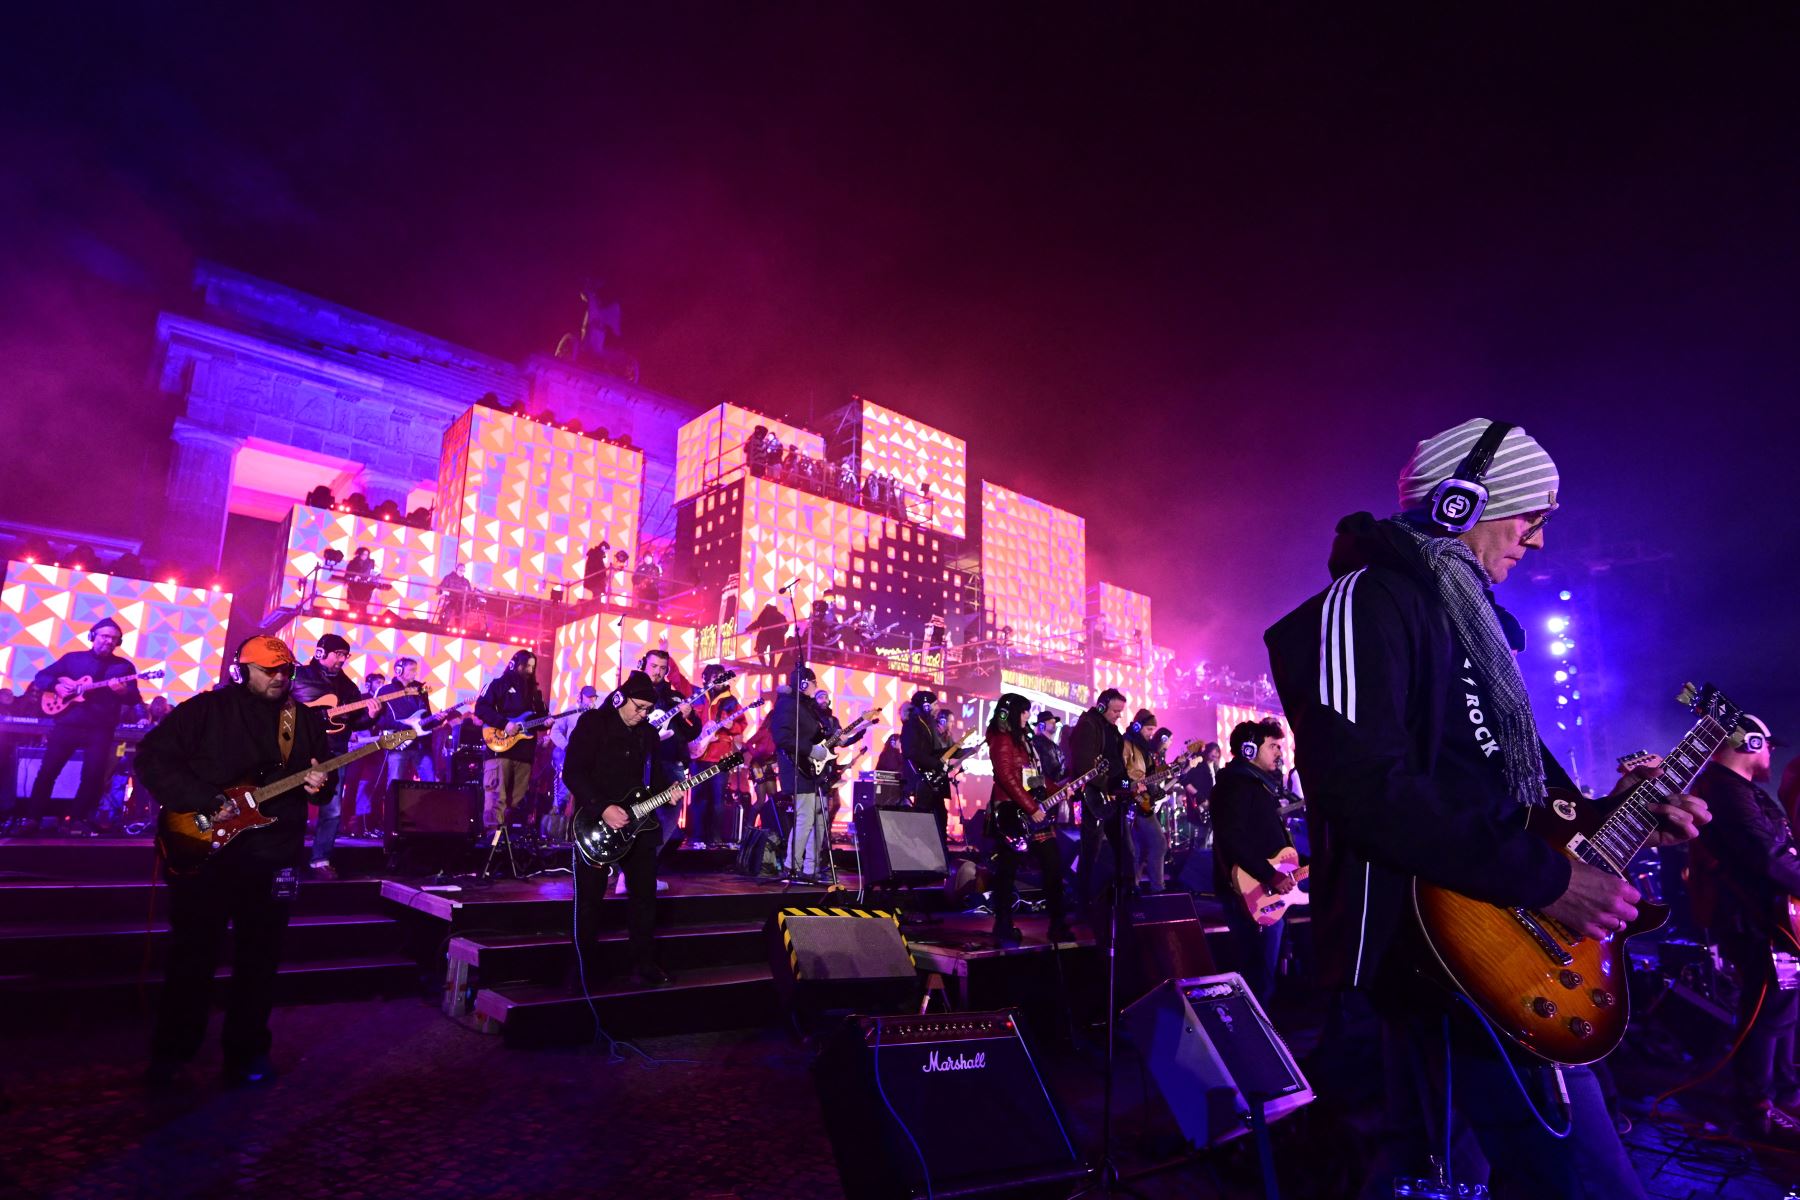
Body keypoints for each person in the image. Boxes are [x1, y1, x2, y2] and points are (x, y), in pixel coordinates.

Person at [1263, 417, 1709, 1198]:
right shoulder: (1367, 603)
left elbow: (1511, 801)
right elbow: (1363, 786)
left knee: (1433, 1171)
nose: (1538, 542)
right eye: (1533, 516)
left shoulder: (1470, 628)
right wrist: (1544, 881)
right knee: (1584, 1181)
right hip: (1448, 953)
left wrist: (1625, 810)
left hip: (1485, 946)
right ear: (1463, 502)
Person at [138, 635, 334, 1087]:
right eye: (269, 669)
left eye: (285, 669)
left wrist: (320, 786)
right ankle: (173, 1051)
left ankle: (246, 1052)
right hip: (206, 853)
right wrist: (204, 800)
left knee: (260, 960)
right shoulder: (204, 710)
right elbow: (151, 759)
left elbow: (327, 778)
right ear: (241, 669)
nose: (280, 677)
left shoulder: (302, 720)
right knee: (192, 956)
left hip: (275, 855)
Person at [1689, 714, 1800, 1143]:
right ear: (1752, 742)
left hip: (1766, 917)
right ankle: (1759, 1106)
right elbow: (1767, 857)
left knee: (1782, 1006)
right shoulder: (1724, 789)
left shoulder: (1734, 789)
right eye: (1770, 744)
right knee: (1769, 1008)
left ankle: (1783, 1093)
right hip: (1752, 920)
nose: (1773, 753)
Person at [565, 671, 668, 987]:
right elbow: (573, 772)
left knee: (644, 896)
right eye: (638, 707)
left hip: (639, 823)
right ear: (621, 698)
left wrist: (670, 790)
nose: (642, 715)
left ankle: (644, 961)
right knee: (590, 898)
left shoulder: (648, 734)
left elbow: (656, 779)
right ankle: (583, 966)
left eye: (648, 710)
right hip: (596, 821)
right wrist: (602, 807)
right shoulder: (594, 724)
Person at [14, 617, 144, 836]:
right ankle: (33, 818)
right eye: (104, 636)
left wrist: (123, 692)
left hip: (100, 729)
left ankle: (77, 819)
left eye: (113, 639)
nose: (108, 641)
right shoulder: (72, 659)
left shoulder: (124, 667)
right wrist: (57, 685)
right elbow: (41, 676)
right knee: (48, 771)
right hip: (67, 724)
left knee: (93, 775)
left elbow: (134, 698)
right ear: (93, 636)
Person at [1210, 718, 1301, 1007]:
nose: (1279, 752)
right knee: (1257, 978)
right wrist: (1270, 876)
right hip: (1252, 893)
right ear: (1249, 750)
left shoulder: (1255, 785)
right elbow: (1233, 839)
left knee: (1262, 976)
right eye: (1273, 746)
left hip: (1263, 889)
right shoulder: (1237, 785)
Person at [986, 692, 1073, 946]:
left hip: (1031, 812)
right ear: (1013, 713)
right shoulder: (1003, 739)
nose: (1028, 716)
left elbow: (1031, 777)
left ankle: (1058, 924)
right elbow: (1006, 778)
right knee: (1007, 870)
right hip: (1012, 815)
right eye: (1024, 712)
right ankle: (1003, 924)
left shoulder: (1023, 739)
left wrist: (1057, 791)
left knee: (1053, 866)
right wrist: (1031, 806)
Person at [291, 633, 378, 877]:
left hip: (335, 752)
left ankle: (320, 861)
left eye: (345, 655)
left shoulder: (348, 686)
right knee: (291, 805)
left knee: (332, 809)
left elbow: (353, 723)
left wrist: (371, 716)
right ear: (321, 653)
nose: (342, 659)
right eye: (338, 654)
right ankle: (285, 859)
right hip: (299, 751)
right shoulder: (297, 675)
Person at [1072, 687, 1134, 915]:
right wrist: (1112, 786)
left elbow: (1117, 764)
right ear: (1102, 706)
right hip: (1095, 797)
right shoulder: (1089, 726)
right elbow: (1084, 767)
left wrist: (1128, 787)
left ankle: (1125, 897)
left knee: (1124, 849)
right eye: (1116, 710)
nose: (1119, 715)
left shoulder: (1111, 729)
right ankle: (1084, 901)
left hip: (1113, 796)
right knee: (1092, 850)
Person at [474, 650, 545, 830]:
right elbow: (481, 708)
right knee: (496, 795)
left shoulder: (536, 693)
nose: (529, 670)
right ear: (515, 664)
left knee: (516, 798)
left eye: (532, 666)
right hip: (499, 749)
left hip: (524, 753)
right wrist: (504, 724)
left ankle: (505, 835)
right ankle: (492, 838)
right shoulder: (498, 685)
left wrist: (547, 722)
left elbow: (539, 719)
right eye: (526, 665)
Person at [771, 666, 828, 883]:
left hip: (811, 769)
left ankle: (809, 868)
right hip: (797, 768)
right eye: (813, 682)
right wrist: (811, 750)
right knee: (805, 818)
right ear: (804, 684)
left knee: (818, 820)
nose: (816, 686)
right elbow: (783, 738)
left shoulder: (806, 706)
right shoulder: (788, 705)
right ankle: (791, 866)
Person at [641, 649, 701, 844]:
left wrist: (689, 716)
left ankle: (646, 870)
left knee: (669, 818)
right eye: (654, 666)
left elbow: (692, 733)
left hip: (672, 764)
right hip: (642, 763)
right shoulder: (631, 692)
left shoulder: (674, 697)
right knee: (640, 816)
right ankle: (630, 871)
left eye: (662, 668)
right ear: (644, 665)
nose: (657, 671)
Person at [688, 680, 749, 848]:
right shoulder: (698, 696)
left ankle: (715, 838)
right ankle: (696, 836)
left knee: (717, 800)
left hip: (720, 758)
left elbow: (742, 724)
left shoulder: (731, 701)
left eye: (723, 677)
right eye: (716, 677)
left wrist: (732, 726)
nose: (720, 681)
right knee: (698, 798)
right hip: (697, 755)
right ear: (706, 679)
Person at [1123, 709, 1169, 894]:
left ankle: (1147, 888)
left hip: (1143, 802)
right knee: (1152, 844)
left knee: (1145, 846)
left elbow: (1150, 775)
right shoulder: (1126, 744)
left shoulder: (1146, 749)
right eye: (1149, 728)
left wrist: (1170, 770)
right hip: (1130, 801)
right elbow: (1120, 771)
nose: (1152, 733)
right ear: (1137, 726)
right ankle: (1154, 889)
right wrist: (1132, 785)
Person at [901, 689, 952, 852]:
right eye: (935, 704)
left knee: (940, 817)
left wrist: (960, 752)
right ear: (926, 706)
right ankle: (921, 858)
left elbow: (933, 752)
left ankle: (940, 856)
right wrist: (935, 764)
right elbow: (911, 752)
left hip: (932, 781)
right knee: (924, 819)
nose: (938, 707)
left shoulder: (929, 724)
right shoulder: (912, 725)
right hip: (922, 780)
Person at [548, 686, 601, 836]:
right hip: (571, 760)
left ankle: (579, 834)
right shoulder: (571, 711)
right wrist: (566, 747)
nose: (591, 700)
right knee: (564, 794)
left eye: (593, 697)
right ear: (580, 697)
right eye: (588, 697)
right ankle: (557, 834)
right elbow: (555, 731)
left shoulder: (598, 715)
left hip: (590, 763)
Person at [1031, 712, 1067, 796]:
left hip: (1053, 790)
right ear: (1041, 725)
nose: (1055, 724)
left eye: (1055, 722)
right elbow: (1051, 771)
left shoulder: (1054, 746)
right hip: (1045, 790)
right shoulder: (1038, 742)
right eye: (1051, 722)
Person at [342, 547, 378, 614]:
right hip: (354, 586)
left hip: (365, 587)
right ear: (359, 554)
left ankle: (362, 619)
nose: (364, 556)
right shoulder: (352, 563)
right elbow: (348, 573)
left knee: (363, 605)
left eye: (366, 555)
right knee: (352, 606)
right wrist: (354, 577)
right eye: (363, 554)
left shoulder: (370, 562)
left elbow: (371, 573)